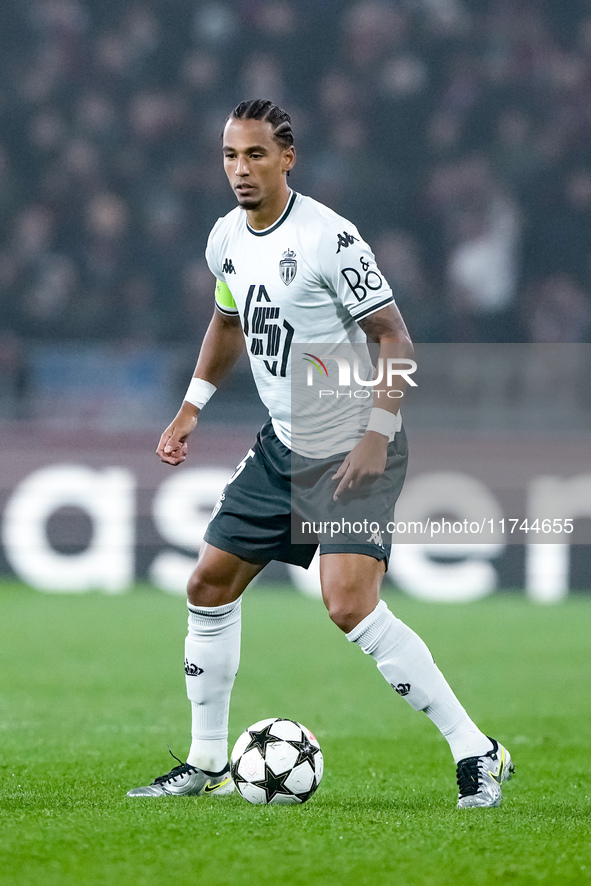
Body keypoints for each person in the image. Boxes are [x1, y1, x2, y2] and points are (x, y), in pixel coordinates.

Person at [127, 99, 514, 808]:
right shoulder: (225, 241)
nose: (239, 170)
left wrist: (377, 432)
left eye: (254, 155)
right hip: (282, 443)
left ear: (286, 159)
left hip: (349, 445)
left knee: (348, 608)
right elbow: (226, 321)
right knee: (208, 585)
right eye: (229, 156)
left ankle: (477, 750)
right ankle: (207, 762)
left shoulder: (329, 239)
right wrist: (190, 408)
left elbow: (394, 339)